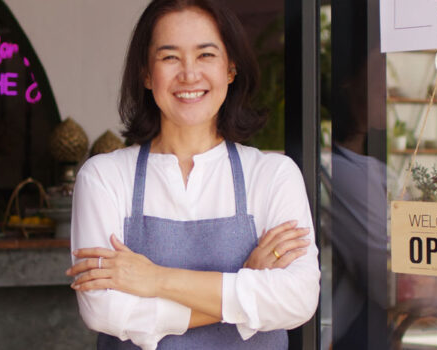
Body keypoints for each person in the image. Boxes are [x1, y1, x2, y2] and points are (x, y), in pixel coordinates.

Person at [66, 0, 320, 349]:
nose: (189, 74)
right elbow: (104, 310)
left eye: (206, 55)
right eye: (169, 57)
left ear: (231, 68)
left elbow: (298, 300)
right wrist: (245, 284)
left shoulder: (272, 175)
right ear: (145, 72)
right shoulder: (105, 177)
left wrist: (156, 280)